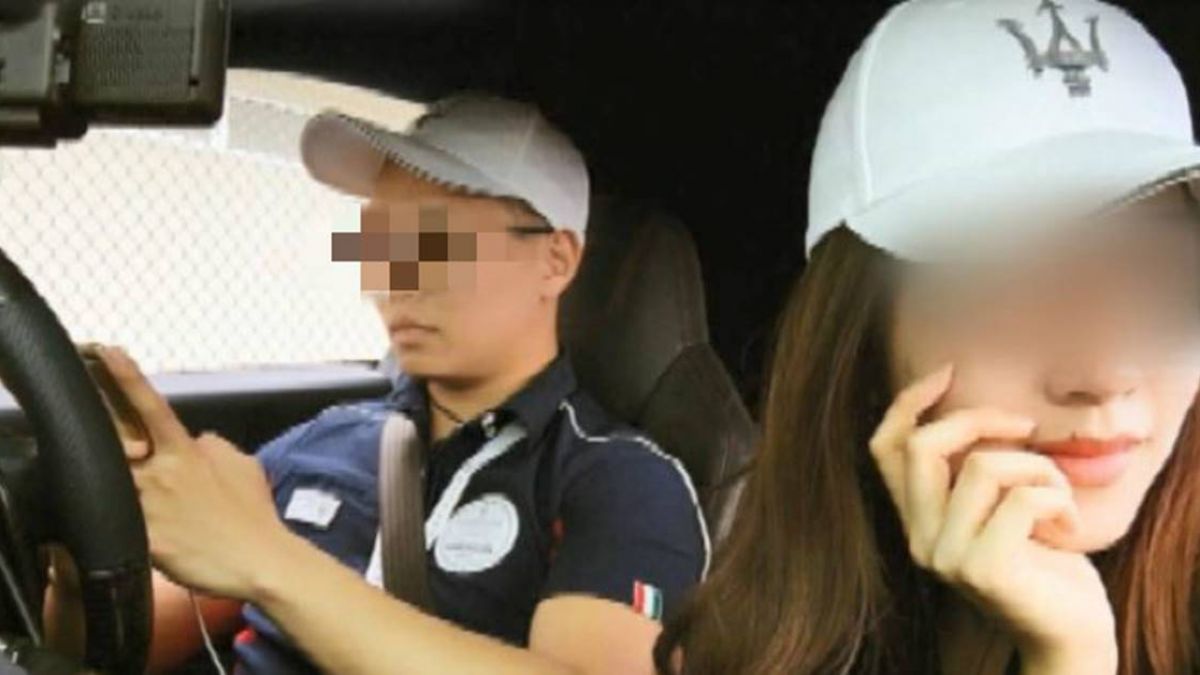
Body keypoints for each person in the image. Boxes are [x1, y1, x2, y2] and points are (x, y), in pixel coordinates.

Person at [52, 93, 708, 674]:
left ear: (555, 260)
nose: (391, 278)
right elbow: (109, 648)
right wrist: (85, 555)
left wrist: (271, 560)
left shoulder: (618, 479)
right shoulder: (324, 441)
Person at [656, 1, 1200, 674]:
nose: (1105, 372)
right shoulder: (761, 639)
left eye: (1158, 275)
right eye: (1013, 281)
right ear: (863, 346)